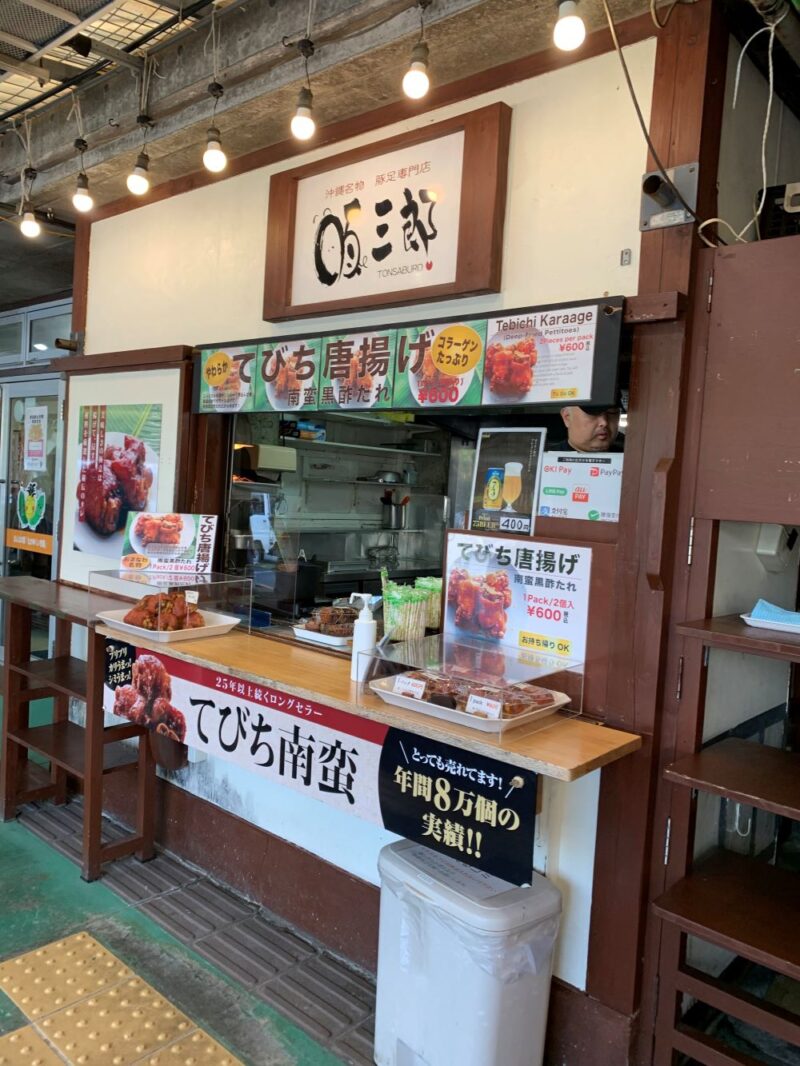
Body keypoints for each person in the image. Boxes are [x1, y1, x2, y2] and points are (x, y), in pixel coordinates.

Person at [549, 404, 624, 453]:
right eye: (593, 413)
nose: (604, 422)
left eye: (612, 412)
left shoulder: (631, 458)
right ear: (567, 417)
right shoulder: (543, 459)